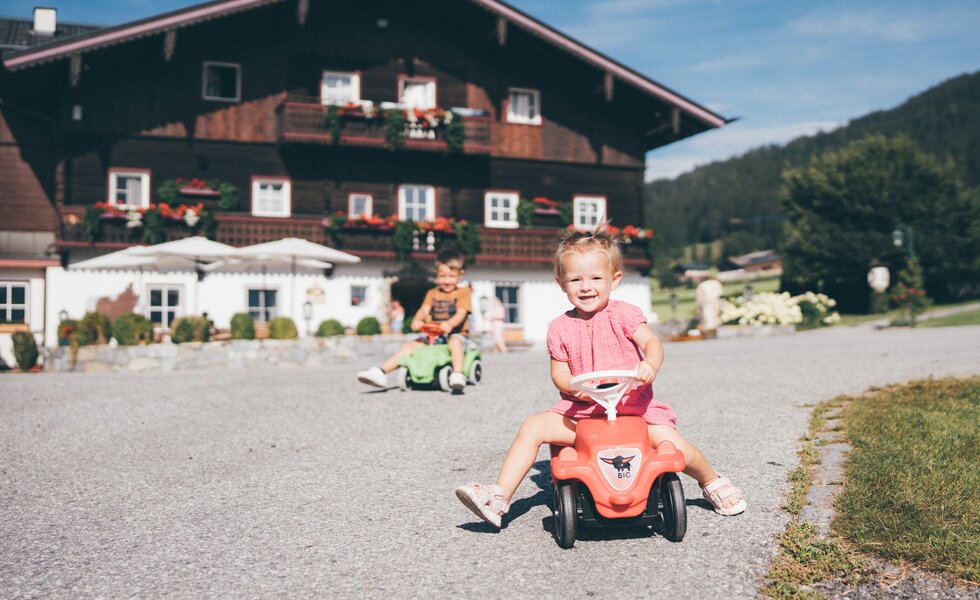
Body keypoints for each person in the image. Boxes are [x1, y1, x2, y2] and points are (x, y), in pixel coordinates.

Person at [455, 225, 746, 528]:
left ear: (614, 279)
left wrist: (650, 364)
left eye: (596, 278)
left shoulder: (624, 314)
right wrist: (572, 386)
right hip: (583, 413)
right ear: (561, 283)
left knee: (677, 448)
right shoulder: (560, 327)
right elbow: (560, 371)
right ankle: (499, 497)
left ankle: (711, 480)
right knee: (532, 427)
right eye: (576, 279)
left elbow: (652, 343)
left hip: (635, 412)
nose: (586, 287)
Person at [357, 248, 472, 392]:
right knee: (411, 346)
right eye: (442, 276)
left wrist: (449, 324)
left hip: (456, 334)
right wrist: (417, 321)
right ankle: (380, 371)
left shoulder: (463, 292)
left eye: (451, 276)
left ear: (460, 274)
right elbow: (424, 310)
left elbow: (461, 313)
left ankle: (457, 374)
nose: (446, 280)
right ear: (436, 274)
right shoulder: (432, 292)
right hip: (435, 335)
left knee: (455, 343)